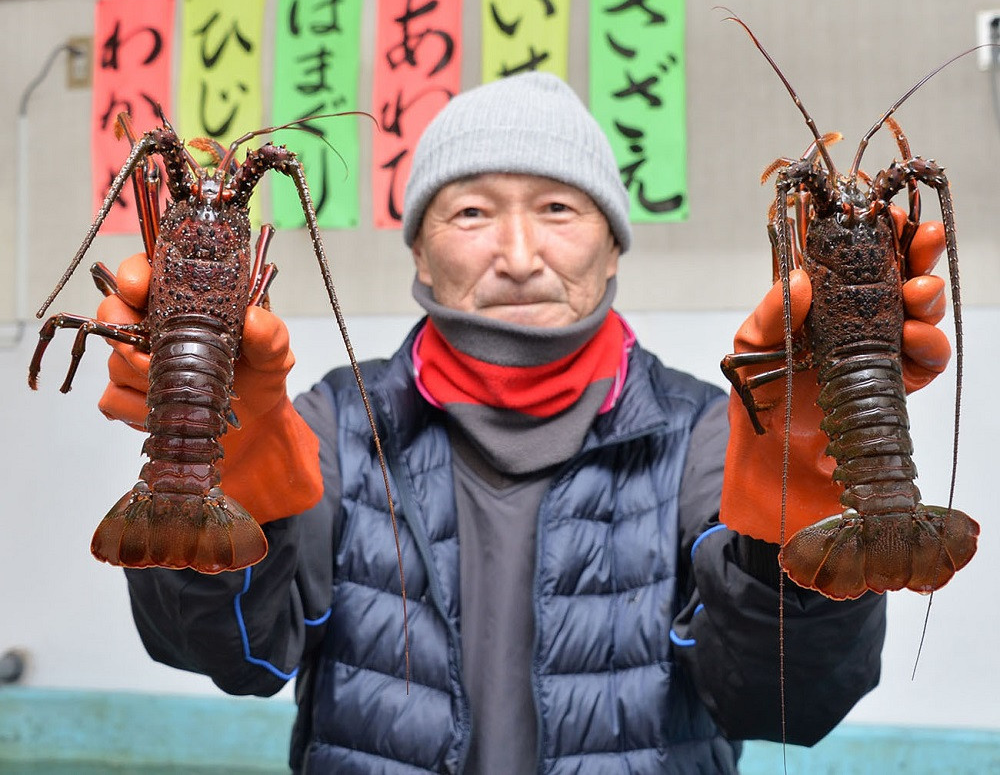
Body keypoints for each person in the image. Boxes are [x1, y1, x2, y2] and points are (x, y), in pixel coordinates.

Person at [96, 72, 951, 774]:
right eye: (469, 212)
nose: (516, 252)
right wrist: (233, 456)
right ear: (421, 249)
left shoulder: (708, 432)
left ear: (614, 244)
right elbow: (236, 656)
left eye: (558, 209)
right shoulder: (328, 423)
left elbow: (784, 704)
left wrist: (794, 510)